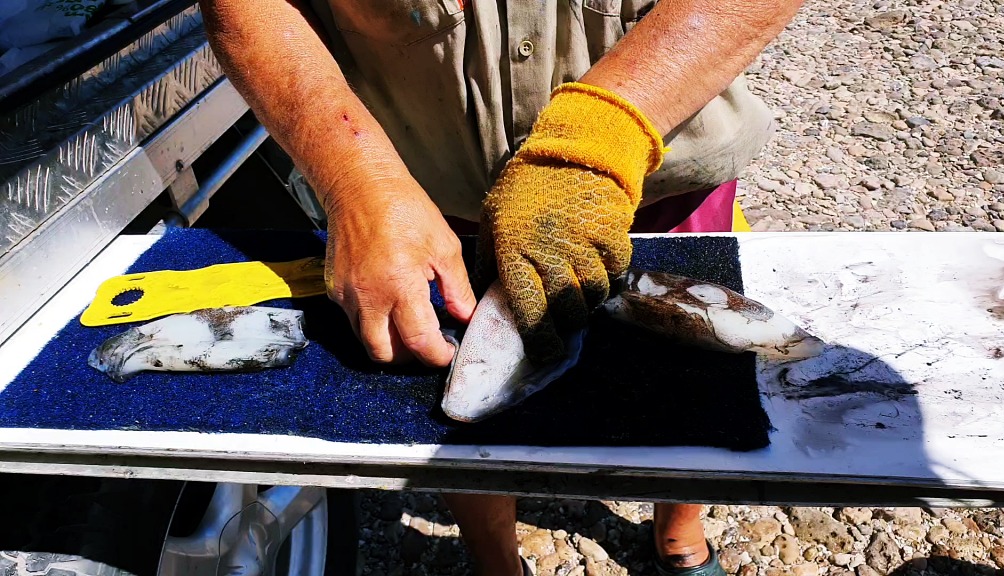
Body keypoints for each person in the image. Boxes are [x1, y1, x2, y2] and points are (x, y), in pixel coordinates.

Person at [199, 0, 802, 574]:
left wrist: (600, 136)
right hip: (423, 199)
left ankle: (679, 532)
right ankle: (494, 559)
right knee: (458, 400)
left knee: (691, 369)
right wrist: (358, 178)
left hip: (656, 177)